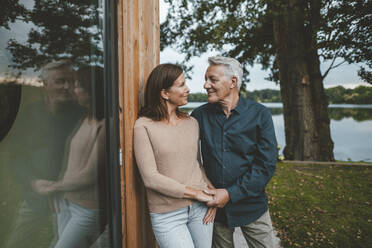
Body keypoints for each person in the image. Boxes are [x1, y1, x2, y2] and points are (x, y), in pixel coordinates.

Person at [191, 56, 280, 248]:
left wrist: (230, 193)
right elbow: (188, 158)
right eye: (205, 79)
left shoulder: (260, 114)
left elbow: (265, 166)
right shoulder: (198, 116)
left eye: (212, 79)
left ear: (233, 82)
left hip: (252, 205)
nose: (206, 85)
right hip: (214, 210)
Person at [133, 63, 216, 248]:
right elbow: (150, 178)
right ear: (164, 93)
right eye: (181, 85)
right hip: (167, 214)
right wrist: (197, 193)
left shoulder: (192, 122)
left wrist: (212, 195)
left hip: (200, 209)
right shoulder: (143, 126)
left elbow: (196, 163)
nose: (188, 89)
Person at [5, 60, 83, 248]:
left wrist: (64, 186)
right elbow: (16, 158)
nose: (66, 87)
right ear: (45, 84)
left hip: (72, 200)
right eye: (60, 81)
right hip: (35, 198)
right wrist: (33, 183)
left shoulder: (81, 116)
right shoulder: (30, 115)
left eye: (70, 82)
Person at [32, 66, 108, 248]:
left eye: (77, 85)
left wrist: (52, 187)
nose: (73, 90)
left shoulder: (106, 125)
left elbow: (90, 175)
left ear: (90, 91)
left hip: (87, 209)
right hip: (66, 202)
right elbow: (70, 163)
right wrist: (59, 192)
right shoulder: (84, 119)